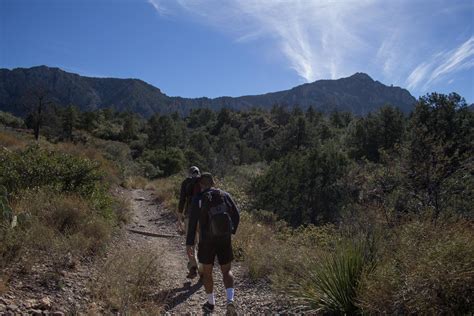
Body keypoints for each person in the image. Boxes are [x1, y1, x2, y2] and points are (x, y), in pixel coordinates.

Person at [186, 172, 240, 315]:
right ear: (213, 183)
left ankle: (210, 304)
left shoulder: (198, 198)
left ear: (201, 184)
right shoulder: (224, 195)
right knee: (227, 271)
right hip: (224, 238)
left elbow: (192, 224)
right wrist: (230, 232)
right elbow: (236, 215)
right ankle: (230, 301)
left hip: (206, 241)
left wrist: (189, 244)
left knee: (208, 273)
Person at [178, 166, 201, 279]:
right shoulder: (203, 182)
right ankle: (203, 270)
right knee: (202, 244)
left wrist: (179, 219)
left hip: (189, 216)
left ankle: (193, 267)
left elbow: (182, 200)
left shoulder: (186, 183)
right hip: (203, 218)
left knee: (190, 244)